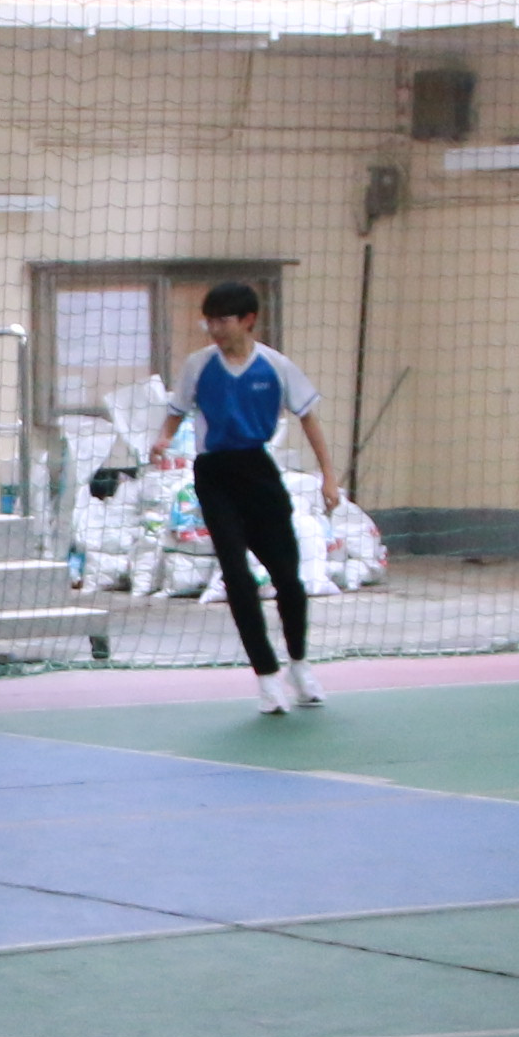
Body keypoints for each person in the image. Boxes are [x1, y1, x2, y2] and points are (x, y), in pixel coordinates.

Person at [169, 282, 341, 714]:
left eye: (223, 321)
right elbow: (176, 411)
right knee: (237, 574)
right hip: (214, 474)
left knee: (288, 578)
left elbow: (309, 419)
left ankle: (298, 664)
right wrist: (161, 439)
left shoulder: (276, 366)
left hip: (258, 472)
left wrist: (329, 477)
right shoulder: (198, 365)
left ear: (248, 320)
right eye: (209, 322)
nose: (214, 329)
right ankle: (265, 675)